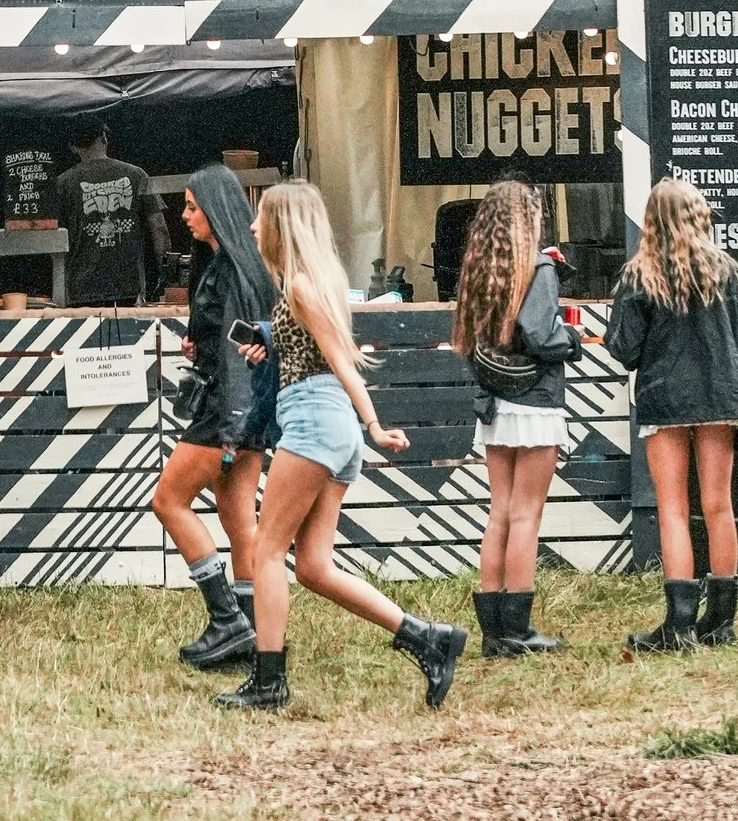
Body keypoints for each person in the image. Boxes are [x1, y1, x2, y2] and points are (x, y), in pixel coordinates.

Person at [217, 179, 467, 714]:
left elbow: (340, 358)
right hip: (327, 425)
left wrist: (375, 424)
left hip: (315, 424)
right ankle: (428, 638)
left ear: (284, 226)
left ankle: (268, 682)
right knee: (313, 567)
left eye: (263, 217)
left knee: (265, 550)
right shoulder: (307, 284)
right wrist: (273, 351)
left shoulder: (303, 286)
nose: (254, 226)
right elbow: (316, 356)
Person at [604, 178, 738, 654]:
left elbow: (624, 349)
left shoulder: (639, 274)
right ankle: (721, 622)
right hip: (721, 397)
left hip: (665, 399)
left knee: (673, 508)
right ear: (700, 216)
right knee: (719, 506)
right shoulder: (726, 270)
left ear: (651, 220)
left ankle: (677, 626)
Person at [152, 167, 273, 672]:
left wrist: (229, 429)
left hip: (226, 410)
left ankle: (226, 618)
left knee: (168, 501)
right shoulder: (250, 267)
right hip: (250, 413)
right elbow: (238, 340)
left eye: (190, 207)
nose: (184, 217)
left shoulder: (228, 272)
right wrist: (197, 344)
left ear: (216, 210)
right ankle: (249, 629)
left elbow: (235, 356)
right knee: (238, 518)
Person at [452, 177, 575, 657]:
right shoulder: (537, 267)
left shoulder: (479, 268)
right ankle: (519, 631)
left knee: (500, 513)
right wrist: (572, 341)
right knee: (527, 516)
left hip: (494, 404)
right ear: (530, 219)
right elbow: (542, 337)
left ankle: (492, 631)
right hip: (536, 402)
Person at [54, 123, 167, 310]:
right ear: (104, 138)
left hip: (81, 292)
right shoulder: (137, 175)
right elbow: (159, 228)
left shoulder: (63, 183)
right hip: (130, 290)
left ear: (73, 148)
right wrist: (165, 274)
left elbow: (56, 242)